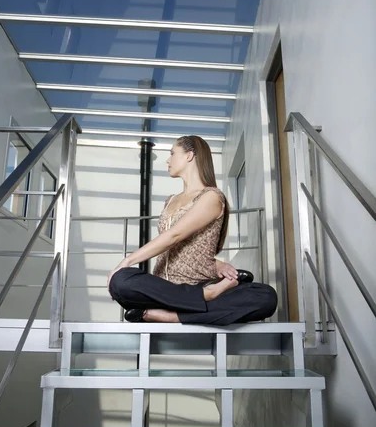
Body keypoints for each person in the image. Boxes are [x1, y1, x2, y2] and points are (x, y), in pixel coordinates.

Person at [108, 135, 277, 325]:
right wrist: (217, 264)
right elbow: (187, 247)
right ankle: (201, 299)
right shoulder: (171, 200)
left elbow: (175, 235)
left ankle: (172, 315)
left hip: (199, 283)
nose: (168, 160)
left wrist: (128, 260)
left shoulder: (211, 196)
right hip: (164, 291)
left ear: (189, 155)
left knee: (266, 297)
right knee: (120, 282)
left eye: (172, 153)